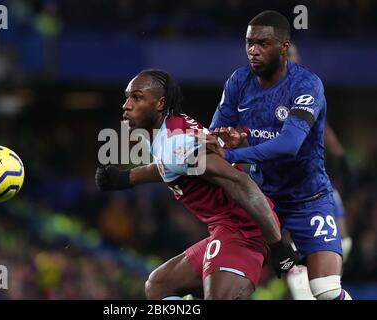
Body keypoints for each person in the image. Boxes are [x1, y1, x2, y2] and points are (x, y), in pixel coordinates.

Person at [95, 69, 298, 300]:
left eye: (137, 97)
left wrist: (276, 241)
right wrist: (127, 178)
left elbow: (239, 182)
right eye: (127, 96)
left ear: (160, 103)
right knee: (159, 286)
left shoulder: (175, 143)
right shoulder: (171, 131)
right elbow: (172, 166)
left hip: (244, 230)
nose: (126, 105)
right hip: (228, 228)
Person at [201, 10, 351, 300]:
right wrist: (213, 144)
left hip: (308, 201)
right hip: (261, 204)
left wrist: (234, 152)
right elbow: (213, 137)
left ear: (284, 48)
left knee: (325, 291)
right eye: (249, 43)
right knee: (219, 290)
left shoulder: (306, 85)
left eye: (263, 43)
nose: (253, 51)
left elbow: (289, 145)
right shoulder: (238, 82)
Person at [280, 43, 354, 300]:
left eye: (294, 55)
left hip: (312, 180)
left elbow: (321, 123)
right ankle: (304, 276)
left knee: (343, 240)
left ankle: (320, 275)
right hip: (281, 181)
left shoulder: (306, 87)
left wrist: (339, 155)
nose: (292, 60)